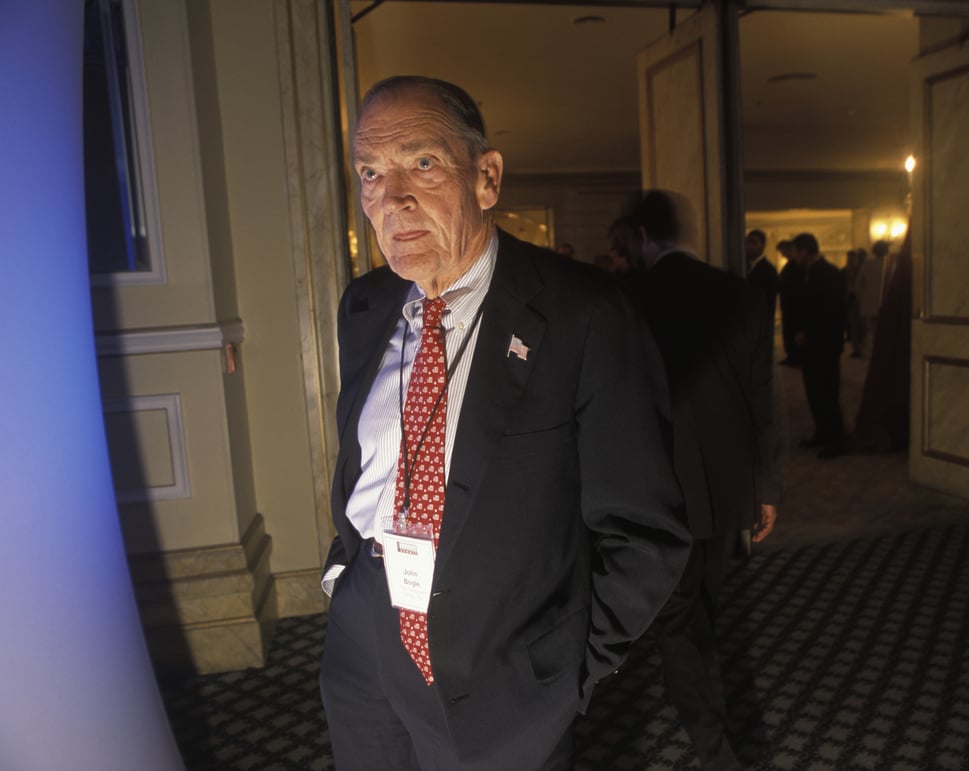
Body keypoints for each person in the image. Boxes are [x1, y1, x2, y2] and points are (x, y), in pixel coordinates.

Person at [319, 76, 691, 770]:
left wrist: (564, 672)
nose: (391, 197)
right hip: (364, 635)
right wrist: (346, 573)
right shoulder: (364, 304)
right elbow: (364, 462)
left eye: (421, 164)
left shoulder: (585, 314)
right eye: (370, 172)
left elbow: (646, 533)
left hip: (501, 670)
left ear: (486, 177)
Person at [617, 191, 779, 770]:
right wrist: (763, 490)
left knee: (678, 617)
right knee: (698, 605)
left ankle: (714, 749)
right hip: (725, 484)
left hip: (659, 484)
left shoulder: (629, 298)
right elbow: (760, 399)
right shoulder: (742, 294)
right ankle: (708, 711)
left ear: (640, 235)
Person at [793, 232, 847, 459]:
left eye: (796, 251)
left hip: (824, 345)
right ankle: (822, 432)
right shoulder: (808, 272)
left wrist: (809, 334)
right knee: (814, 391)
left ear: (805, 251)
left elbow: (831, 312)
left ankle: (836, 439)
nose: (794, 256)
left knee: (827, 392)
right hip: (811, 345)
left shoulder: (829, 273)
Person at [777, 239, 806, 366]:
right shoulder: (789, 265)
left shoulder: (797, 266)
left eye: (783, 252)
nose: (782, 255)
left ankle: (796, 357)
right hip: (788, 305)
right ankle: (792, 356)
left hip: (795, 305)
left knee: (794, 331)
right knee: (788, 331)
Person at [855, 240, 888, 352]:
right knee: (885, 332)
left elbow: (858, 286)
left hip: (869, 304)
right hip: (886, 304)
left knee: (872, 333)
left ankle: (874, 355)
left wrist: (861, 301)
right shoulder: (890, 265)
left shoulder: (867, 265)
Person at [745, 228, 779, 312]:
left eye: (754, 243)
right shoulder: (743, 265)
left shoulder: (769, 270)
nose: (750, 246)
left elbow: (769, 301)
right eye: (748, 242)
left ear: (763, 245)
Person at [843, 248, 866, 357]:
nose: (850, 260)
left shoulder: (862, 270)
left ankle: (862, 348)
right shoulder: (843, 271)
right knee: (853, 326)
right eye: (849, 258)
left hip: (861, 300)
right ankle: (856, 349)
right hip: (849, 301)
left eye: (852, 258)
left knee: (862, 326)